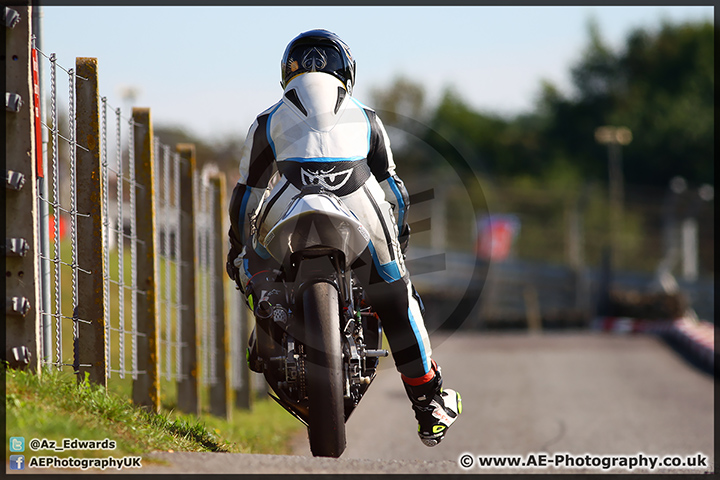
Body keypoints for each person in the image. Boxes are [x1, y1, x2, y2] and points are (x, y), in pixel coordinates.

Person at [226, 28, 461, 447]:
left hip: (289, 200)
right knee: (395, 293)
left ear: (286, 73)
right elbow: (394, 192)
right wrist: (399, 242)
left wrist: (238, 249)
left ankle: (268, 317)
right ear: (347, 73)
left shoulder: (266, 120)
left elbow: (247, 196)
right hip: (361, 203)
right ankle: (428, 400)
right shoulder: (368, 117)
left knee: (252, 264)